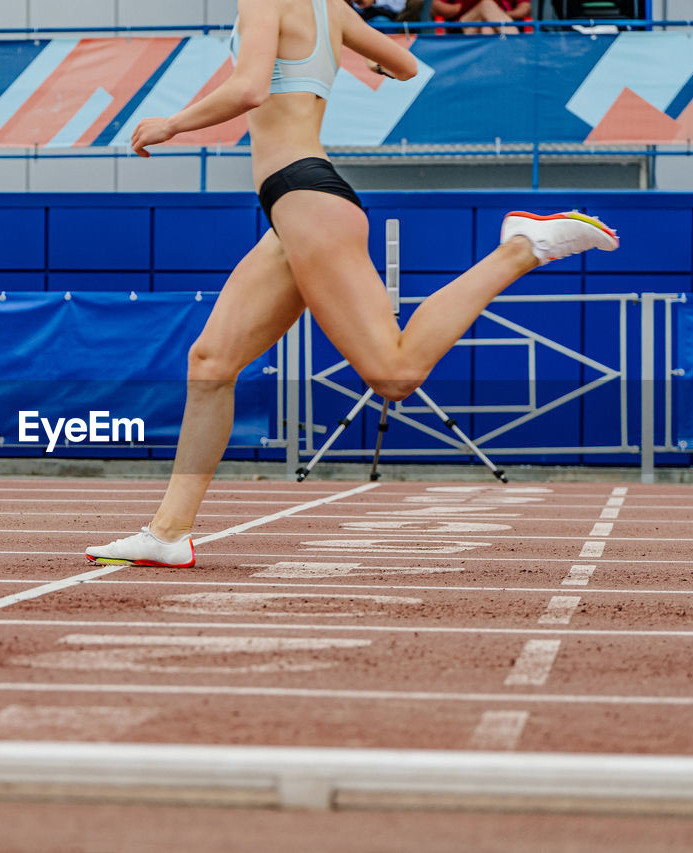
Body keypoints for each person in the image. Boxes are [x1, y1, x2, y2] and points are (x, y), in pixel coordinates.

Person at [86, 0, 616, 568]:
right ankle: (169, 533)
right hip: (297, 204)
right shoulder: (330, 7)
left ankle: (520, 249)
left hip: (304, 198)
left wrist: (171, 123)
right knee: (211, 363)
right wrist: (362, 64)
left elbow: (248, 90)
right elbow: (406, 66)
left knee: (394, 373)